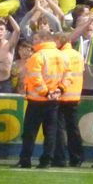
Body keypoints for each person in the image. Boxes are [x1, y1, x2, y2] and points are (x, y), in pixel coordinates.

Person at [15, 30, 68, 168]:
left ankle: (25, 160)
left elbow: (35, 77)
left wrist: (45, 92)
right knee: (50, 131)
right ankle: (46, 161)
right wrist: (59, 89)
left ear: (43, 39)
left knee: (30, 132)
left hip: (37, 99)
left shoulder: (37, 56)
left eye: (35, 39)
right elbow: (68, 75)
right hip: (54, 99)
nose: (33, 42)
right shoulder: (61, 55)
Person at [52, 33, 85, 168]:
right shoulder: (78, 55)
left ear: (60, 40)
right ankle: (77, 158)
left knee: (58, 128)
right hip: (74, 95)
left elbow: (57, 75)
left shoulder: (60, 55)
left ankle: (59, 158)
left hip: (61, 95)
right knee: (73, 128)